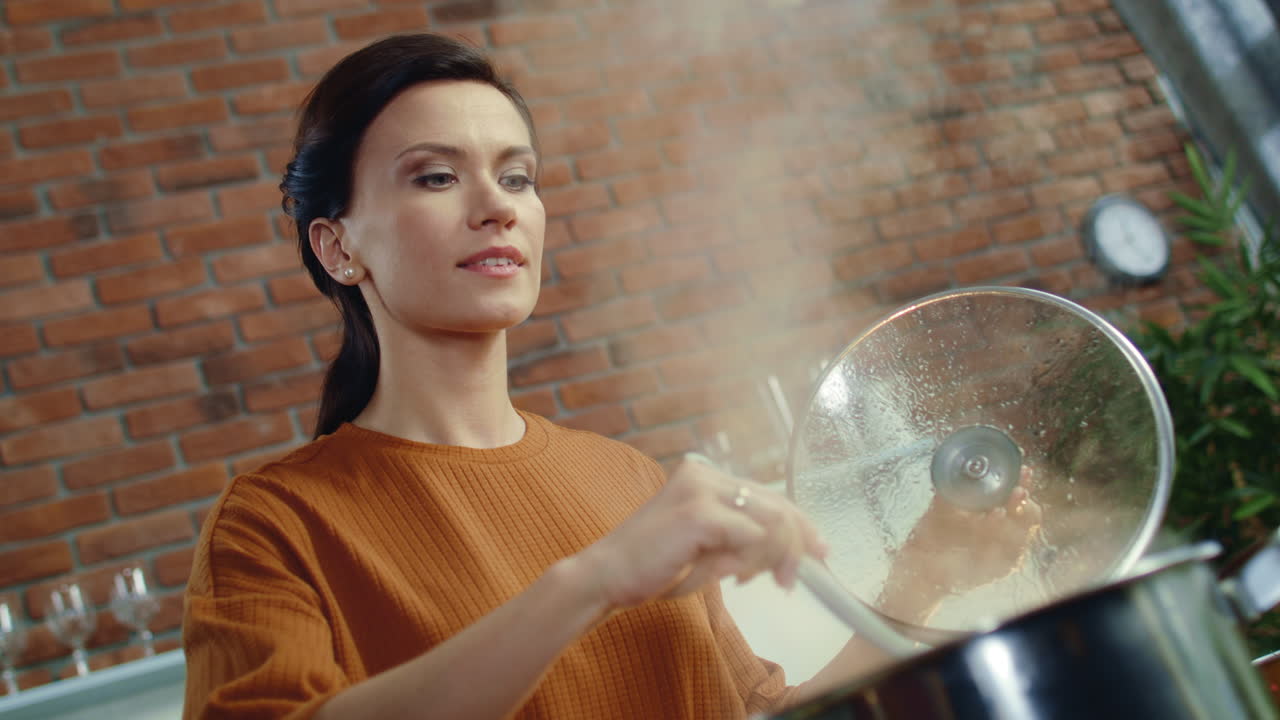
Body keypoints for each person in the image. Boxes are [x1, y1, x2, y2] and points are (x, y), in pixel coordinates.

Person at [181, 33, 1039, 720]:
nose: (497, 204)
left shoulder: (625, 479)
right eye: (437, 176)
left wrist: (926, 574)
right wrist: (590, 581)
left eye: (517, 175)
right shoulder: (272, 524)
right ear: (339, 246)